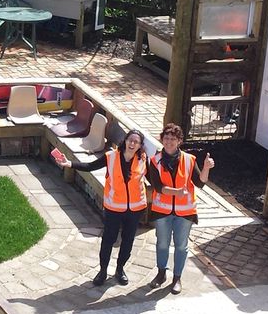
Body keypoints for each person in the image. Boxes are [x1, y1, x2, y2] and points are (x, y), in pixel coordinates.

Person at [54, 129, 149, 286]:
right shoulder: (111, 157)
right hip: (114, 207)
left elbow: (153, 178)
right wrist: (69, 163)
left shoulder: (144, 159)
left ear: (140, 145)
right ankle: (103, 270)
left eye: (136, 142)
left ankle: (120, 269)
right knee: (108, 239)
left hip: (135, 208)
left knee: (128, 241)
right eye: (130, 140)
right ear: (125, 141)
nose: (132, 144)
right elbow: (90, 166)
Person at [147, 123, 213, 295]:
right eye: (166, 138)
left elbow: (200, 183)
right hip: (162, 211)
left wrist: (206, 167)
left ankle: (177, 278)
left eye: (173, 139)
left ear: (179, 141)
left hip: (185, 212)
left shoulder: (190, 160)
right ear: (162, 139)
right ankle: (161, 273)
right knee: (162, 243)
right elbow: (158, 186)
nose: (169, 142)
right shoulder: (155, 161)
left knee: (181, 246)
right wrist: (176, 192)